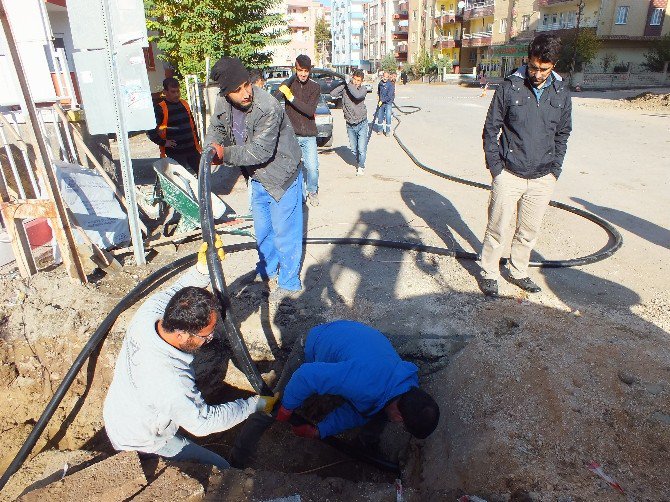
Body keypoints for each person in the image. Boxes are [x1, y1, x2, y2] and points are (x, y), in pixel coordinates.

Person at [103, 238, 277, 469]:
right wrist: (253, 405)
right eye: (206, 336)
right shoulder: (170, 381)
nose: (210, 339)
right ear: (183, 336)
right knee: (223, 470)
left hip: (121, 413)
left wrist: (202, 270)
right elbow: (202, 423)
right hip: (142, 439)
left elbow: (176, 292)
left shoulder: (149, 314)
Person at [205, 57, 304, 303]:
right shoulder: (222, 102)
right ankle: (267, 269)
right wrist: (210, 146)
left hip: (282, 175)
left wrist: (224, 154)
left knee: (285, 231)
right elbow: (216, 128)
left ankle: (289, 282)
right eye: (237, 90)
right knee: (263, 230)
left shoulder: (268, 106)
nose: (246, 93)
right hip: (257, 176)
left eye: (246, 84)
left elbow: (259, 151)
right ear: (226, 92)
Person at [480, 34, 572, 298]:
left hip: (543, 177)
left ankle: (519, 271)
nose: (537, 73)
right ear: (528, 60)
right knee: (497, 227)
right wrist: (496, 168)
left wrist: (555, 171)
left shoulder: (561, 92)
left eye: (544, 68)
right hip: (509, 173)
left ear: (553, 64)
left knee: (528, 231)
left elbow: (562, 134)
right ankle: (489, 272)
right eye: (533, 66)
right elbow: (490, 129)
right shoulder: (510, 87)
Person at [274, 321, 440, 447]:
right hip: (315, 342)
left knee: (377, 415)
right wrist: (286, 408)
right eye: (402, 425)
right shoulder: (364, 383)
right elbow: (305, 376)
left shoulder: (405, 383)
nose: (397, 424)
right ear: (399, 416)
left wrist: (320, 431)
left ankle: (366, 445)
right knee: (276, 402)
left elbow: (360, 411)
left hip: (350, 337)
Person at [276, 55, 322, 207]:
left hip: (309, 135)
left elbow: (309, 111)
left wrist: (291, 98)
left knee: (312, 168)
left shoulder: (315, 87)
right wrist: (284, 89)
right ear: (295, 69)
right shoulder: (289, 84)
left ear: (310, 71)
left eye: (306, 71)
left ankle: (312, 191)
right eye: (300, 70)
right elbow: (275, 99)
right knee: (294, 169)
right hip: (292, 135)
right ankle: (299, 195)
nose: (303, 74)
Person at [147, 77, 202, 175]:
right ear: (165, 92)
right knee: (179, 178)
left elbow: (192, 125)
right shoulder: (160, 108)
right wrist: (163, 142)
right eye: (173, 92)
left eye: (178, 91)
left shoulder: (184, 104)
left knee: (203, 174)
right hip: (175, 153)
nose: (176, 94)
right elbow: (150, 131)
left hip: (192, 149)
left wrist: (197, 143)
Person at [330, 69, 369, 176]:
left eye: (358, 80)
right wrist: (343, 83)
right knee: (354, 149)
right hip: (350, 124)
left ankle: (361, 166)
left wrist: (348, 84)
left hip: (362, 123)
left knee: (361, 149)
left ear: (362, 81)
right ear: (352, 78)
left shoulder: (363, 89)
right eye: (355, 79)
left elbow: (357, 95)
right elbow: (332, 93)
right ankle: (358, 160)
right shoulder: (346, 87)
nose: (356, 82)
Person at [375, 71, 395, 137]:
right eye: (384, 76)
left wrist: (382, 100)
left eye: (386, 77)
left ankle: (388, 131)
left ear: (388, 77)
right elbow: (378, 91)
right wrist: (378, 96)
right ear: (382, 76)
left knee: (388, 116)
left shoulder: (391, 85)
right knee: (380, 116)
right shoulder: (380, 83)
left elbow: (389, 96)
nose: (385, 78)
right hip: (381, 103)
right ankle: (380, 130)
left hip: (388, 103)